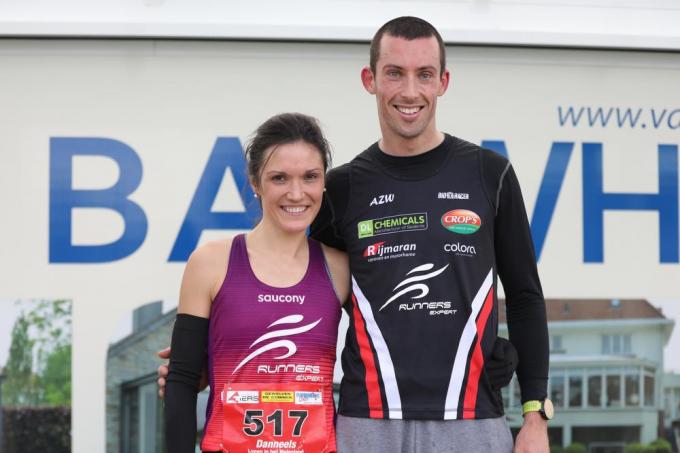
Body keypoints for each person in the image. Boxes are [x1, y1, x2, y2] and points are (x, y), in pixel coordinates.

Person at [307, 16, 550, 453]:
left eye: (424, 74)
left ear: (443, 82)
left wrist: (535, 416)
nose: (410, 91)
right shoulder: (341, 189)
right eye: (394, 73)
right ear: (369, 80)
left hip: (472, 421)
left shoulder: (489, 174)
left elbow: (525, 296)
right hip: (367, 423)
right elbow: (306, 297)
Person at [163, 112, 350, 453]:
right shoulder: (210, 263)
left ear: (324, 181)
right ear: (255, 182)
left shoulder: (340, 268)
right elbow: (182, 381)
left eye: (310, 177)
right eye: (279, 178)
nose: (297, 193)